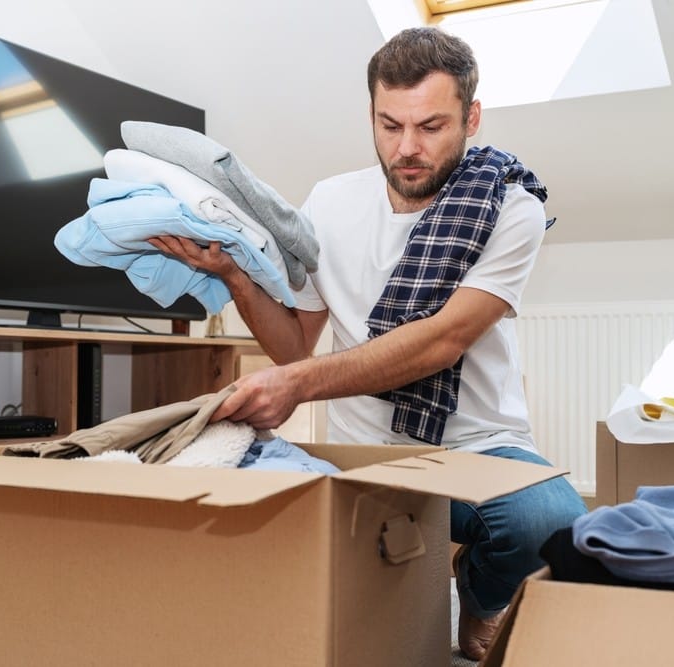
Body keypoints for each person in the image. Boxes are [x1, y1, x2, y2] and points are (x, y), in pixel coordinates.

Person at [150, 26, 588, 661]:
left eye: (432, 127)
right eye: (390, 126)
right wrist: (234, 277)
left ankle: (479, 597)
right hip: (367, 455)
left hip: (480, 447)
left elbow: (441, 340)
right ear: (372, 115)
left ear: (471, 118)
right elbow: (295, 347)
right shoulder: (330, 202)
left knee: (548, 525)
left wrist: (296, 387)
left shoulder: (510, 206)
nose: (406, 148)